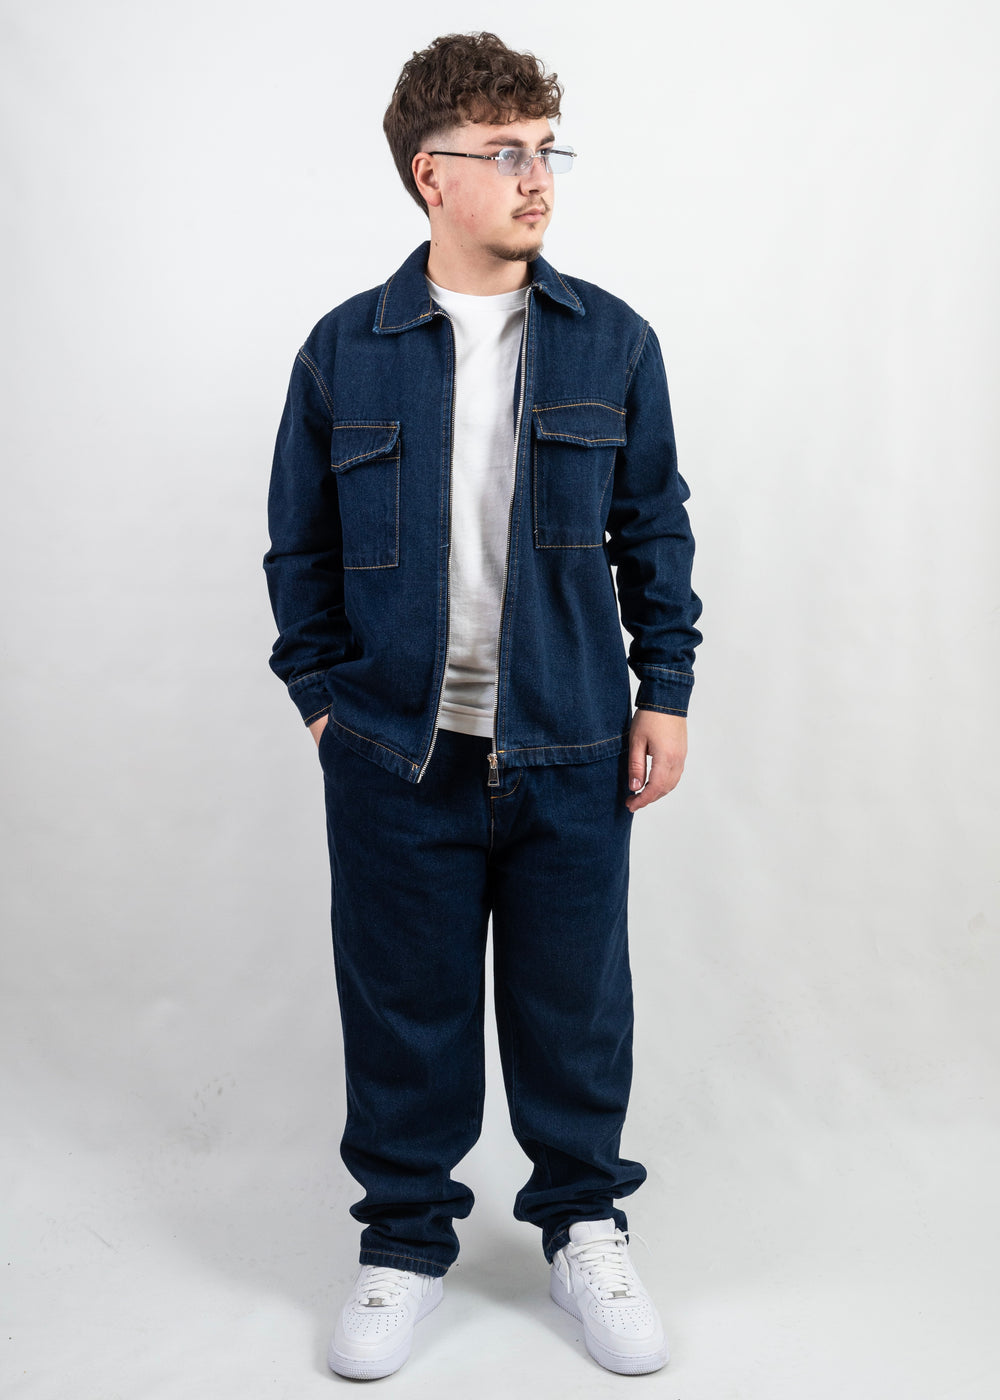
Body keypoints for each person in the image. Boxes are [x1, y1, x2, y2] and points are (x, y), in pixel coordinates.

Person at [263, 31, 701, 1380]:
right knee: (407, 1012)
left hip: (572, 741)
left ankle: (585, 1229)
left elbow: (654, 531)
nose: (536, 176)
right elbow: (300, 551)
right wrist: (325, 704)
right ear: (430, 174)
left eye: (545, 148)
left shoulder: (612, 341)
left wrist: (666, 690)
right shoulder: (345, 351)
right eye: (504, 151)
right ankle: (403, 1246)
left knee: (577, 1009)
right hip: (397, 753)